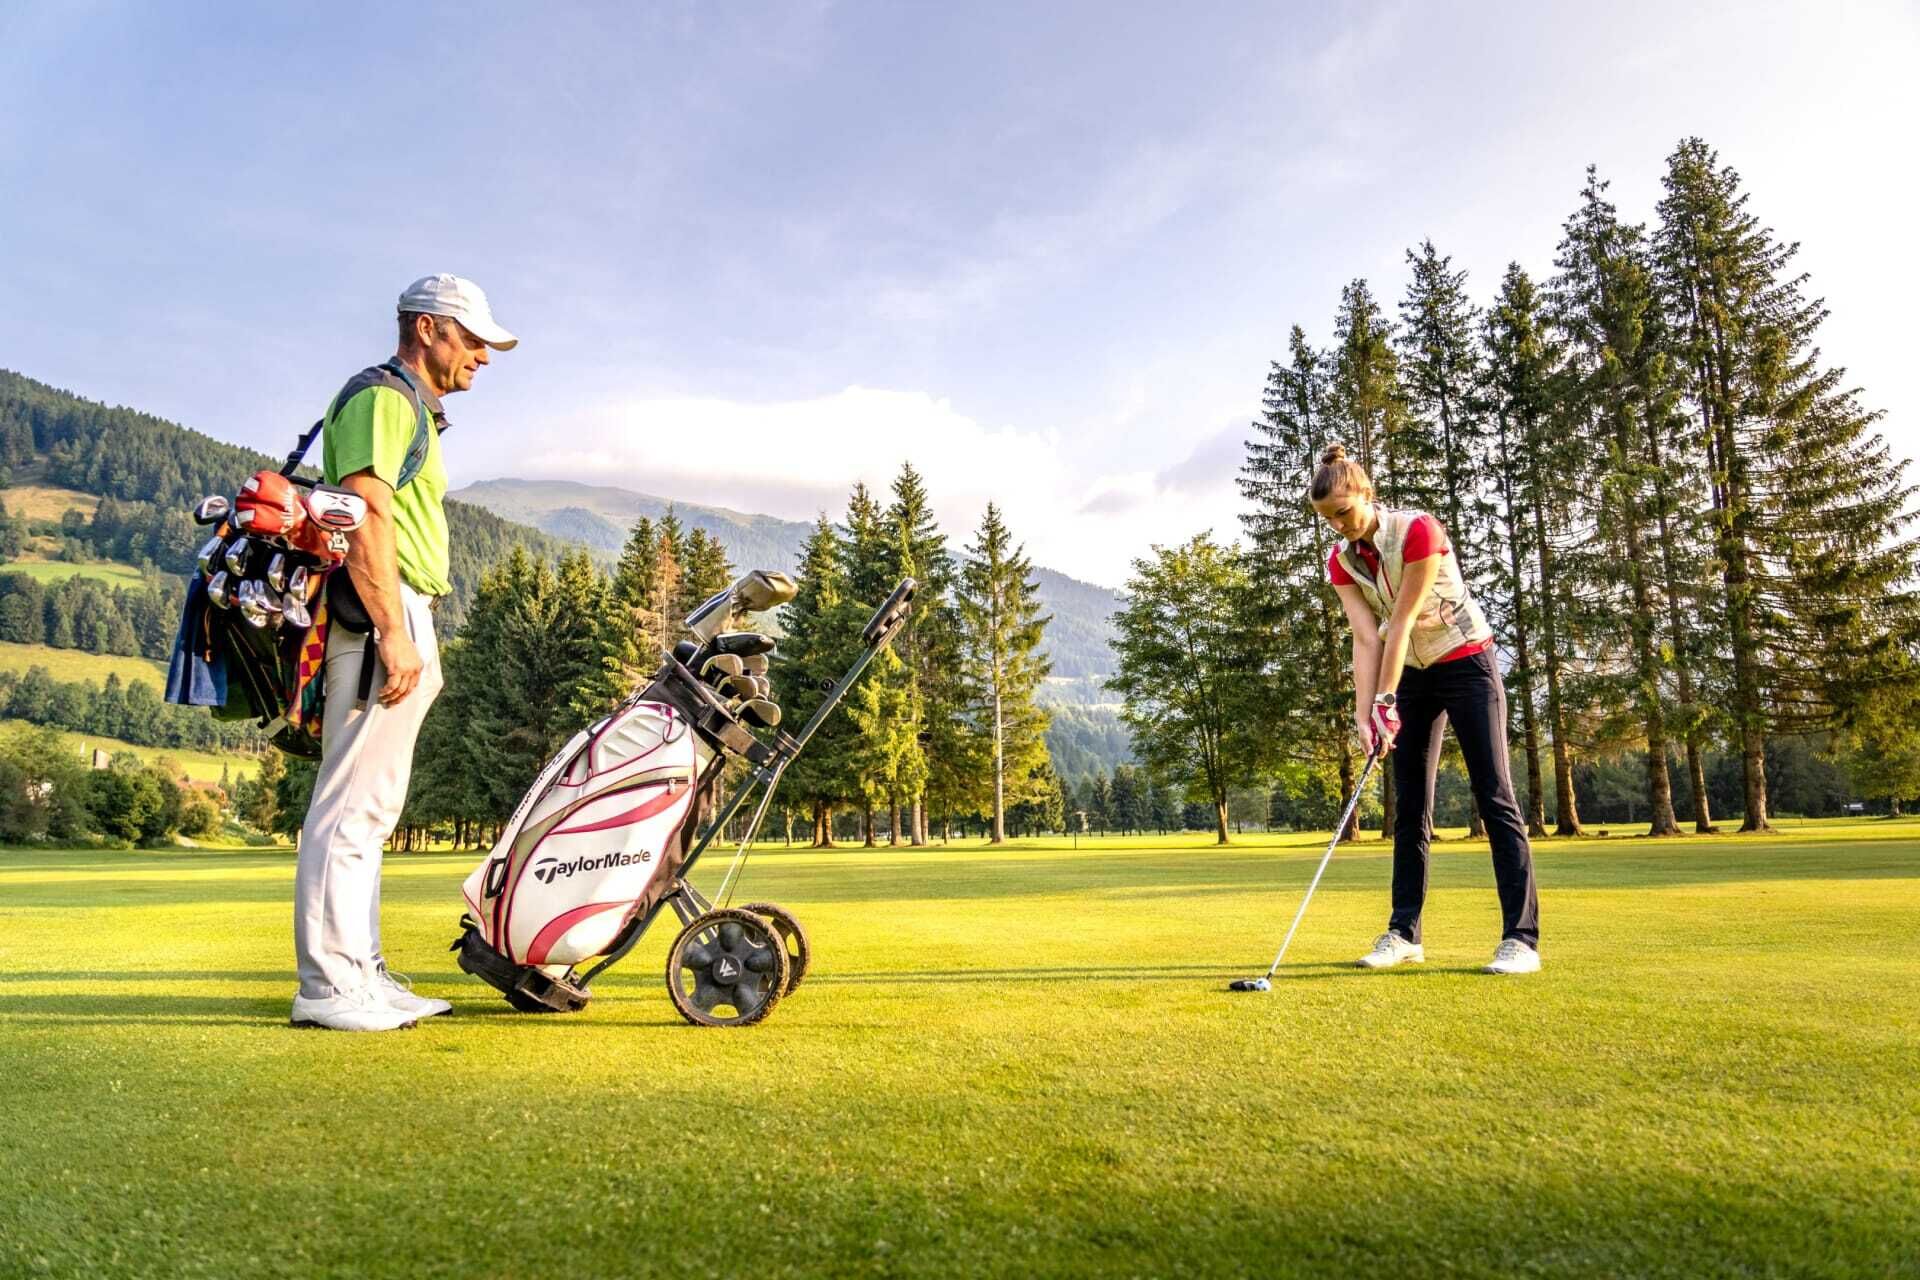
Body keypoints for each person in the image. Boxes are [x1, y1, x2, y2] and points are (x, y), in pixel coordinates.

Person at [290, 274, 517, 1031]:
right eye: (472, 338)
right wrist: (394, 630)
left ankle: (362, 973)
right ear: (427, 329)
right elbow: (364, 514)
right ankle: (328, 987)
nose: (482, 355)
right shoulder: (384, 398)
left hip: (399, 611)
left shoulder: (407, 406)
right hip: (377, 618)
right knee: (350, 807)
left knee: (373, 808)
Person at [1310, 444, 1542, 975]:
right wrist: (1364, 715)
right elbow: (1365, 638)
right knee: (1410, 806)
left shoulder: (1418, 530)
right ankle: (1403, 933)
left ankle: (1521, 939)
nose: (1339, 526)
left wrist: (1385, 700)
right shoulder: (1342, 561)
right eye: (1328, 520)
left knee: (1494, 795)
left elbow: (1404, 619)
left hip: (1466, 663)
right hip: (1411, 674)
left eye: (1344, 512)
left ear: (1366, 494)